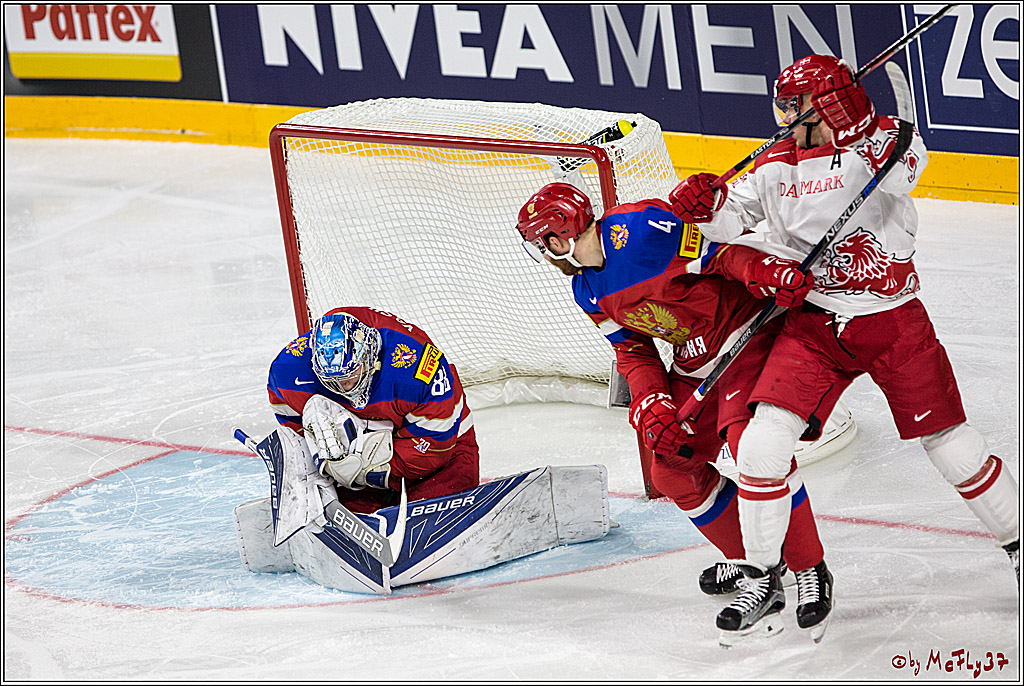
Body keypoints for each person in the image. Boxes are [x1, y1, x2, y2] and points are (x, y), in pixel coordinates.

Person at [669, 54, 1020, 641]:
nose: (781, 118)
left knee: (953, 449)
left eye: (792, 106)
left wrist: (857, 130)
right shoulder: (775, 164)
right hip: (814, 326)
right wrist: (706, 208)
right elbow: (732, 221)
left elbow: (907, 168)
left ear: (826, 104)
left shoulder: (885, 139)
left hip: (891, 323)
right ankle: (763, 574)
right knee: (760, 444)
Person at [516, 181, 839, 643]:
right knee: (671, 469)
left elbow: (721, 255)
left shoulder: (640, 226)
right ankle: (760, 563)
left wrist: (767, 271)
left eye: (540, 241)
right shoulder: (585, 290)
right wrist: (652, 403)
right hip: (696, 359)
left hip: (747, 332)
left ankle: (811, 568)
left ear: (558, 237)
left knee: (750, 445)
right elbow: (633, 350)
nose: (542, 253)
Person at [267, 306, 480, 514]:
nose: (345, 386)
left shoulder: (417, 367)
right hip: (353, 464)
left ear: (368, 355)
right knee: (343, 524)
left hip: (441, 449)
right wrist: (319, 459)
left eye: (350, 374)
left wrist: (368, 470)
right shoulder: (288, 370)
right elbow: (288, 417)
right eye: (334, 380)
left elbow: (436, 443)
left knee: (437, 521)